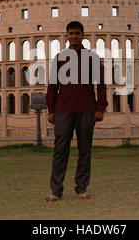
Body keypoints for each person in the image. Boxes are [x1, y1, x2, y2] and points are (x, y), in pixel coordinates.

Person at [45, 21, 108, 202]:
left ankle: (82, 188)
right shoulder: (59, 58)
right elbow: (52, 86)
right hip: (63, 109)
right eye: (71, 33)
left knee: (85, 150)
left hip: (86, 109)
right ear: (67, 36)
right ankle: (56, 190)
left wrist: (100, 108)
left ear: (83, 35)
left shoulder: (92, 58)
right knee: (60, 150)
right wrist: (51, 110)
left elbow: (101, 85)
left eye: (77, 33)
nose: (74, 36)